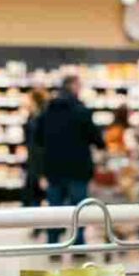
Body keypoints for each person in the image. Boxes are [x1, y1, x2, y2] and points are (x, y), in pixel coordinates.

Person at [36, 75, 105, 245]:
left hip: (54, 168)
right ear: (73, 87)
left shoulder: (47, 112)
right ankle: (78, 243)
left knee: (55, 210)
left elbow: (37, 139)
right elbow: (97, 139)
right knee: (79, 209)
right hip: (78, 169)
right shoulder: (81, 111)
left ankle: (53, 244)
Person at [23, 88, 49, 209]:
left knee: (38, 194)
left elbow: (41, 145)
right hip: (32, 160)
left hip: (40, 162)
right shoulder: (31, 117)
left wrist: (42, 173)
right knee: (33, 194)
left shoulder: (42, 119)